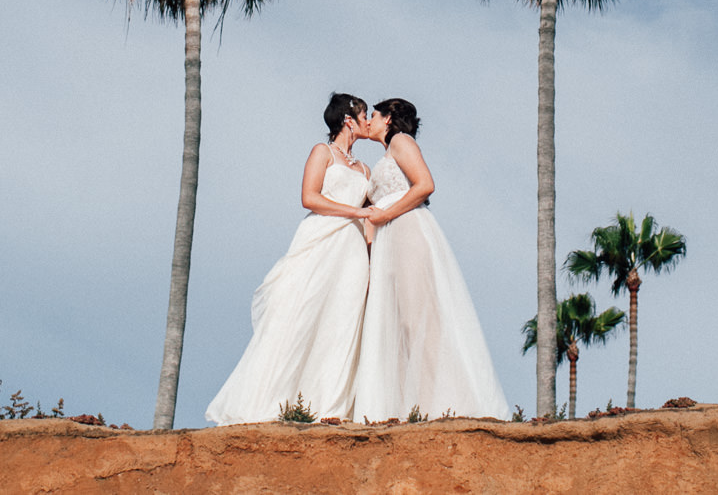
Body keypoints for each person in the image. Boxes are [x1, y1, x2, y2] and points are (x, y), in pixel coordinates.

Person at [205, 93, 381, 425]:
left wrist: (371, 259)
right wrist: (355, 210)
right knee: (299, 315)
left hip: (352, 251)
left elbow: (370, 218)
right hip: (319, 241)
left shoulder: (365, 168)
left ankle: (329, 409)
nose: (367, 120)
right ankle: (271, 405)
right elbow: (309, 197)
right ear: (348, 120)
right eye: (362, 114)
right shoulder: (322, 152)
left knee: (342, 323)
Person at [349, 97, 509, 422]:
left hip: (407, 231)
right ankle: (412, 404)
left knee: (418, 317)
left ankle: (440, 403)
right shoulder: (383, 154)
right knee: (401, 320)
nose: (369, 120)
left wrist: (384, 216)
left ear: (390, 117)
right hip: (388, 240)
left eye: (374, 115)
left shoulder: (401, 141)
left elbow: (425, 184)